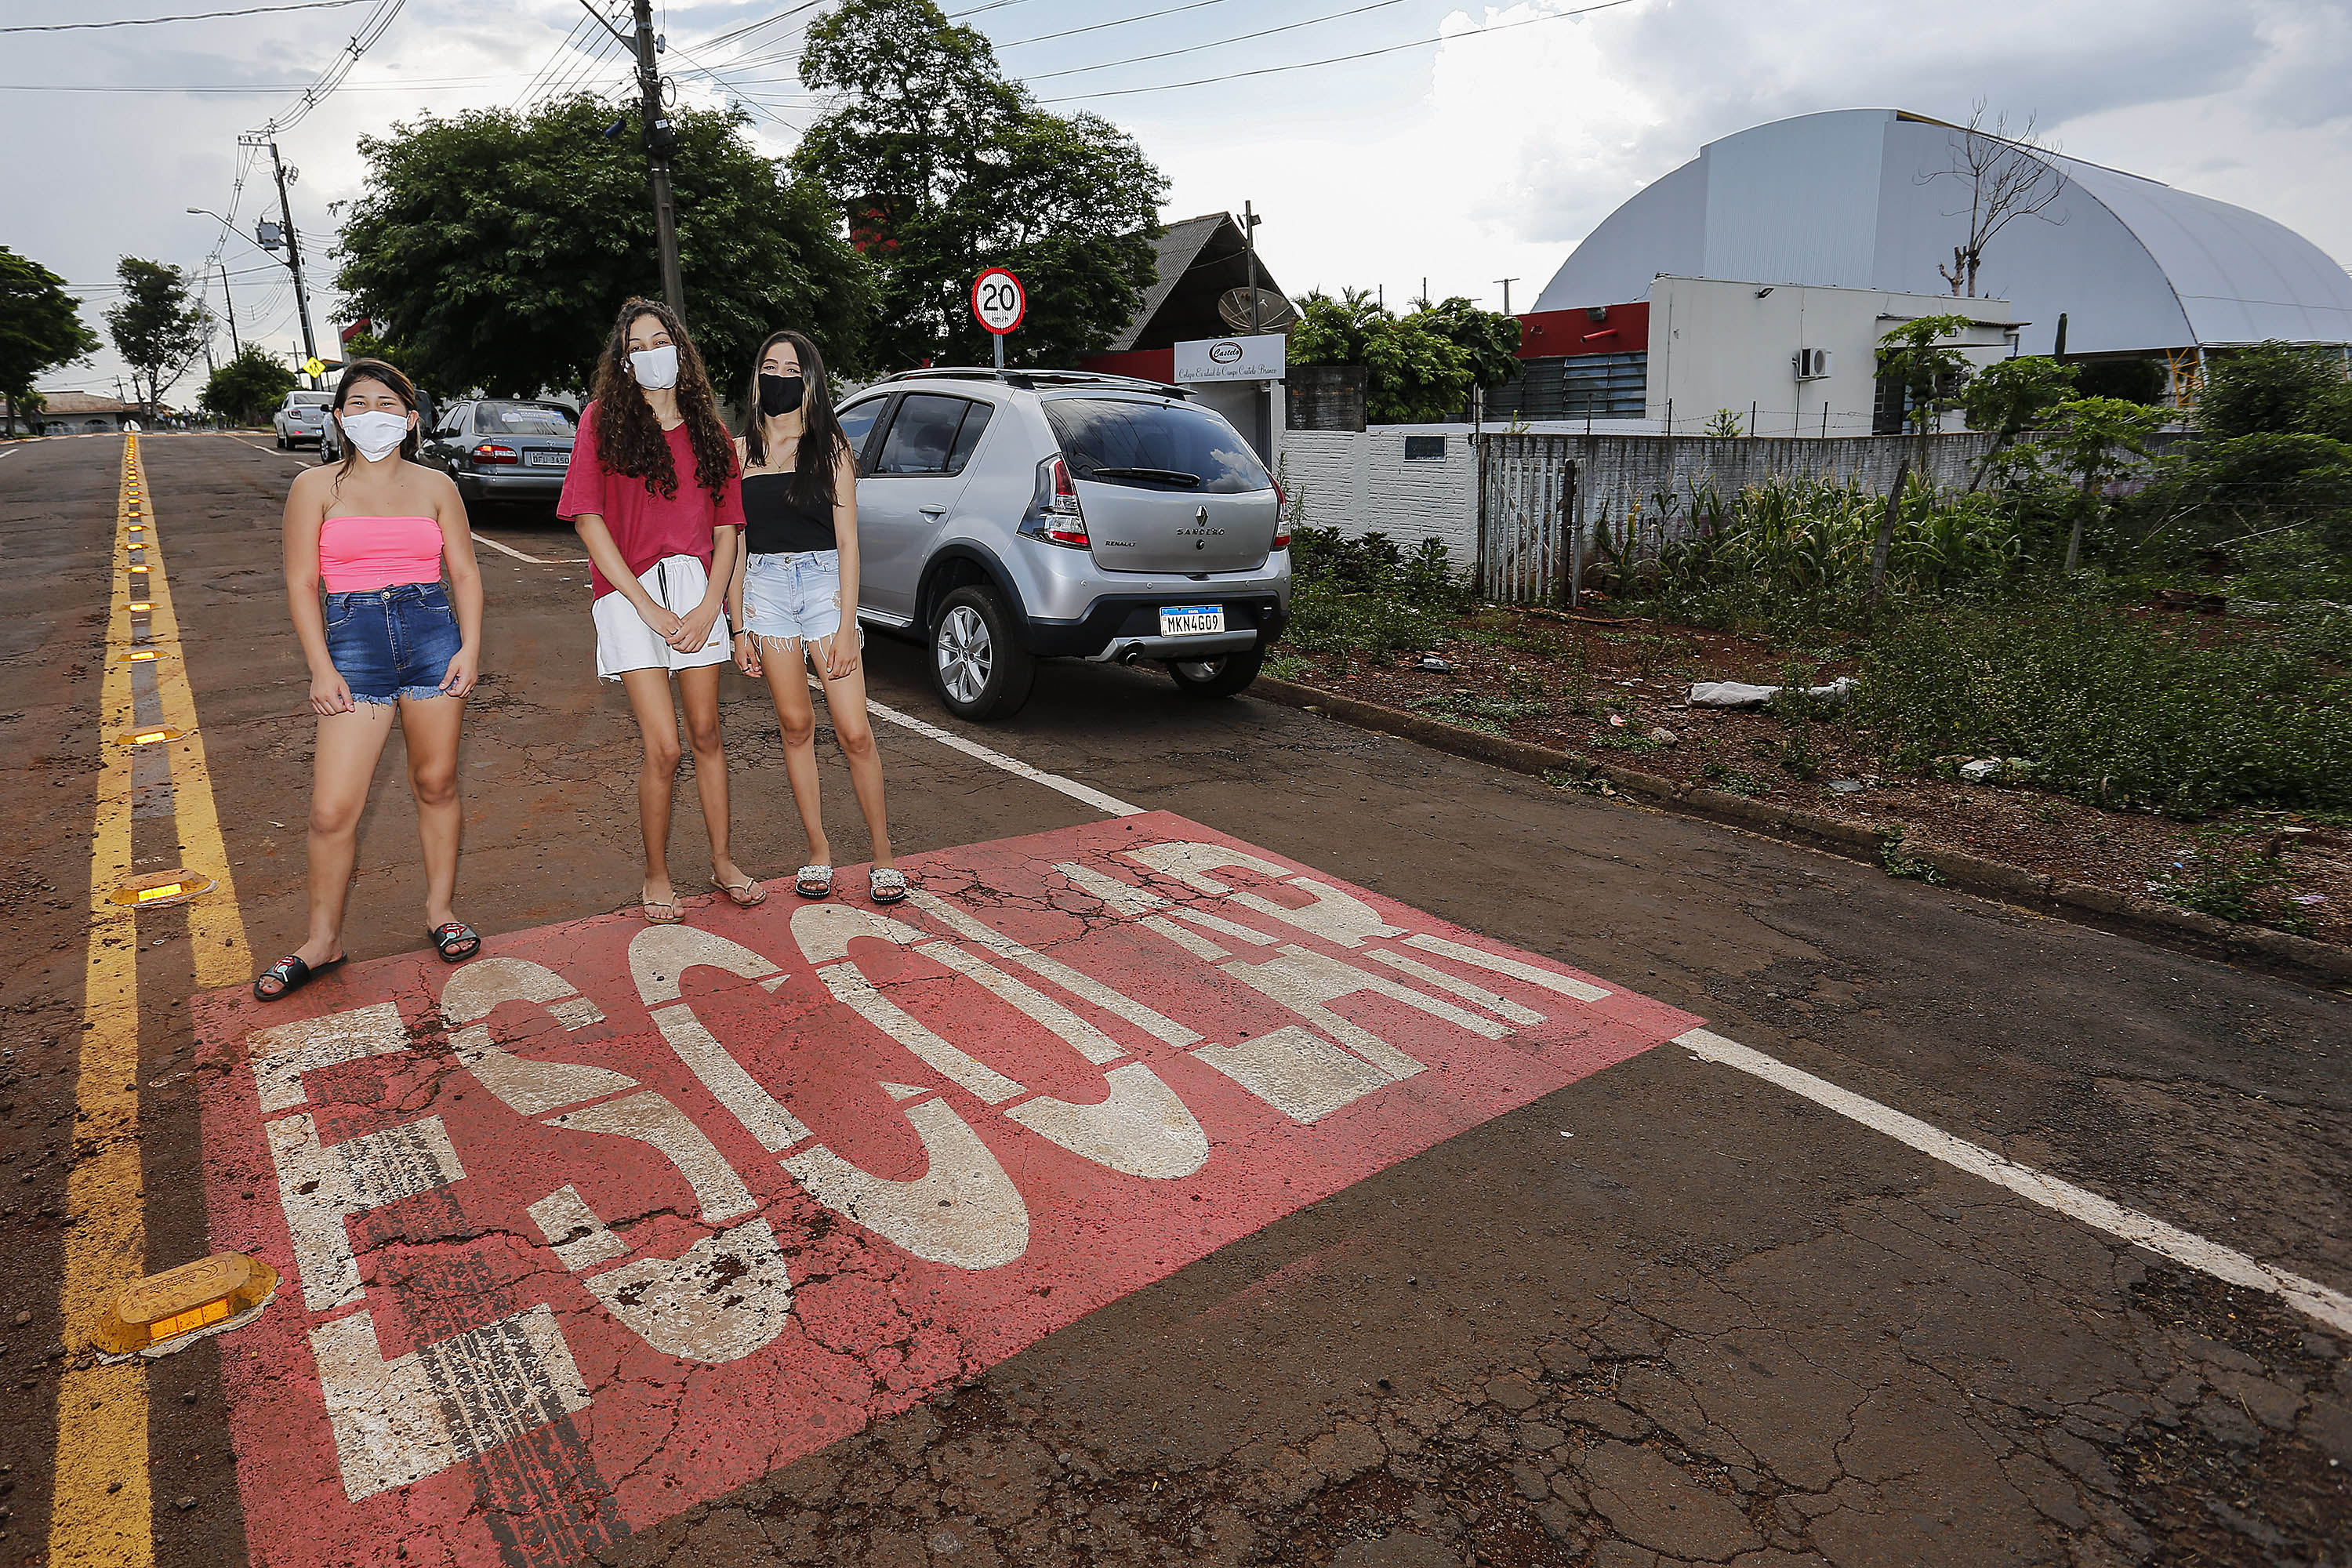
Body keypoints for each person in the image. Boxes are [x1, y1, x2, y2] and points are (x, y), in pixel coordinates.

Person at [256, 358, 484, 1000]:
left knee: (435, 782)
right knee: (332, 811)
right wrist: (320, 667)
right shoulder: (316, 488)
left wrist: (469, 647)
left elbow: (464, 574)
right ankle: (322, 939)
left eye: (387, 404)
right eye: (357, 403)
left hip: (432, 636)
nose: (371, 415)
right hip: (353, 645)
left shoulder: (437, 486)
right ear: (338, 417)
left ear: (410, 421)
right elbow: (302, 584)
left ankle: (441, 912)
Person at [560, 297, 764, 921]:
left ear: (681, 349)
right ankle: (656, 873)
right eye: (637, 348)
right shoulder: (602, 422)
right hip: (628, 594)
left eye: (660, 342)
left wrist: (714, 609)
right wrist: (644, 605)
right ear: (623, 362)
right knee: (665, 747)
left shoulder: (711, 432)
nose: (650, 355)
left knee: (706, 734)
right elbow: (588, 521)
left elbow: (729, 529)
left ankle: (723, 862)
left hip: (697, 588)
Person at [725, 329, 904, 904]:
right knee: (796, 727)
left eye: (792, 368)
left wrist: (849, 625)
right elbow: (732, 545)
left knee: (854, 732)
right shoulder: (738, 453)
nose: (780, 376)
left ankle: (882, 857)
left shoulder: (830, 450)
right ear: (757, 377)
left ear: (810, 381)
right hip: (766, 593)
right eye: (770, 366)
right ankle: (819, 853)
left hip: (826, 588)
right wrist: (738, 624)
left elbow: (849, 545)